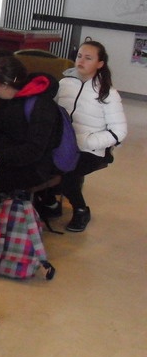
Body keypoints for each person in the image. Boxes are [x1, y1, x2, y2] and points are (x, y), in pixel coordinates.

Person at [45, 39, 127, 232]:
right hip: (63, 145)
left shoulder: (107, 93)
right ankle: (51, 204)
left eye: (88, 58)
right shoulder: (64, 83)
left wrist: (88, 141)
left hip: (91, 150)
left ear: (100, 64)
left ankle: (81, 210)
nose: (81, 61)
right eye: (80, 56)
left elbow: (119, 131)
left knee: (69, 175)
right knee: (39, 166)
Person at [0, 55, 61, 195]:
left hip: (32, 166)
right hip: (1, 157)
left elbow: (33, 150)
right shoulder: (0, 97)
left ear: (5, 84)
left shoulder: (41, 106)